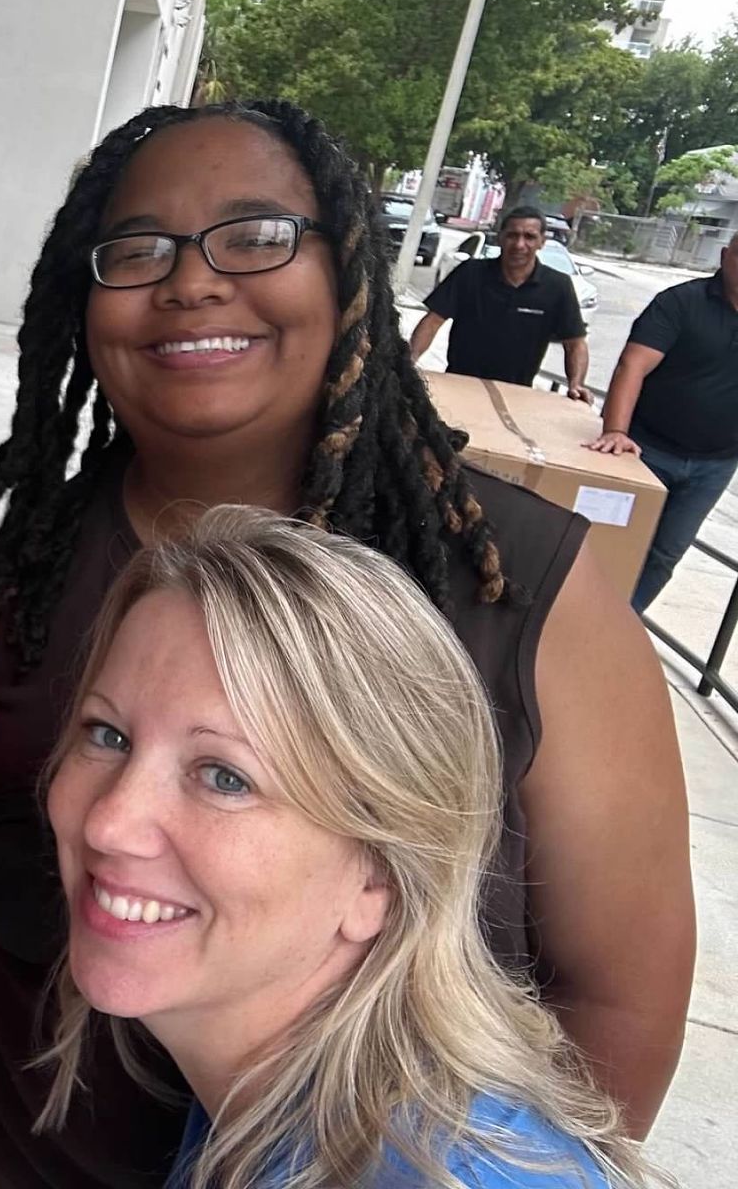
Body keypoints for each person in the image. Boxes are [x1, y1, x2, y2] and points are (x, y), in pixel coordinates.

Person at [0, 101, 692, 1189]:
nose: (192, 283)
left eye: (257, 235)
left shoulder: (520, 581)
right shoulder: (25, 569)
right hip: (13, 1151)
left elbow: (621, 994)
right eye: (137, 251)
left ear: (348, 275)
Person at [42, 506, 659, 1189]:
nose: (109, 824)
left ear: (379, 881)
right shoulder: (269, 1092)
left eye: (226, 777)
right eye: (108, 735)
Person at [585, 236, 738, 612]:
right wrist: (616, 430)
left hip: (715, 465)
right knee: (606, 542)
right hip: (644, 450)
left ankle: (621, 626)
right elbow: (632, 365)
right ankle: (575, 618)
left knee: (666, 554)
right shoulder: (681, 303)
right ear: (726, 256)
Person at [408, 206, 591, 402]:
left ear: (541, 242)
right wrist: (409, 362)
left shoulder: (558, 286)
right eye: (513, 235)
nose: (520, 244)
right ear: (501, 237)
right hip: (458, 385)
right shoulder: (470, 273)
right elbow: (433, 321)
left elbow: (575, 344)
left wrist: (576, 384)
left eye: (529, 237)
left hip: (517, 395)